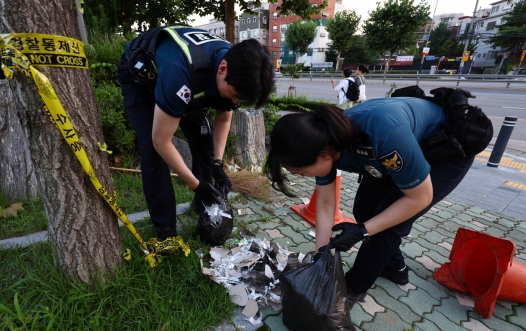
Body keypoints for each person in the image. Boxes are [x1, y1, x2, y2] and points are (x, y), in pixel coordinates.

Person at [265, 92, 474, 308]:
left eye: (301, 173)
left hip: (447, 146)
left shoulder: (381, 137)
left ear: (324, 156)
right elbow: (326, 203)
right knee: (365, 211)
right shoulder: (321, 142)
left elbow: (420, 197)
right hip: (400, 149)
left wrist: (362, 231)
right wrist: (321, 255)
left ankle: (351, 289)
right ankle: (394, 268)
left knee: (387, 226)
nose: (303, 177)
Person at [117, 25, 275, 240]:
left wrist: (217, 164)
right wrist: (195, 184)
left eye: (241, 99)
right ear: (222, 69)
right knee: (153, 152)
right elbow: (161, 141)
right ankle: (166, 230)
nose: (235, 101)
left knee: (203, 141)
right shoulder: (181, 72)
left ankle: (204, 205)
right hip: (141, 75)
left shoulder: (237, 66)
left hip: (188, 82)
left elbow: (224, 115)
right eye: (235, 94)